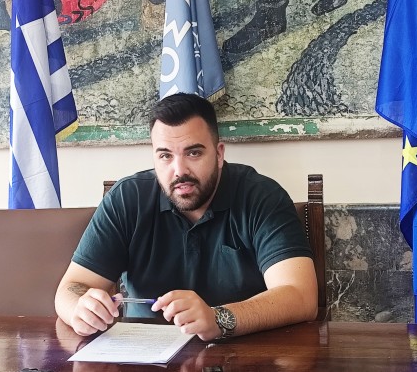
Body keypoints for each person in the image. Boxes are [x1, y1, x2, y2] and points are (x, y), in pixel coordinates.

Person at [55, 93, 318, 341]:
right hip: (143, 352)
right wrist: (80, 308)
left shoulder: (262, 196)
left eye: (193, 153)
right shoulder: (127, 198)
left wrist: (218, 319)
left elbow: (301, 296)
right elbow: (72, 286)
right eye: (165, 156)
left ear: (219, 154)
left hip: (242, 351)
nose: (179, 170)